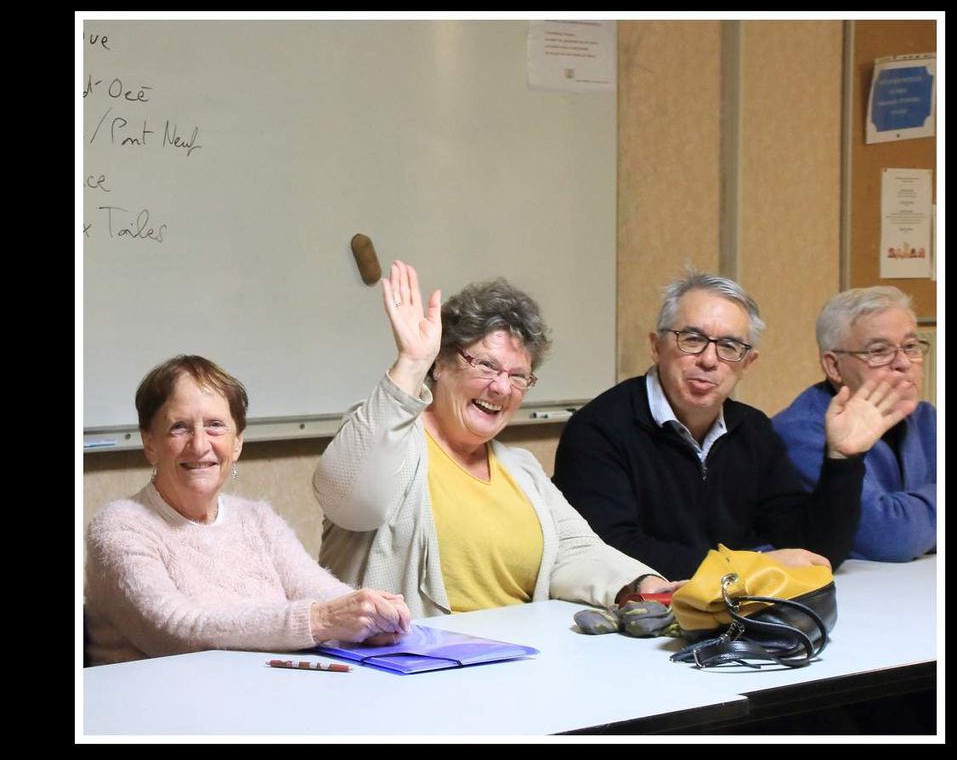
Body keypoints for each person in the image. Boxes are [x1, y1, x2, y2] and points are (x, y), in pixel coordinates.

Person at [314, 261, 678, 618]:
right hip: (403, 666)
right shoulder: (388, 437)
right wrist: (410, 363)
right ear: (439, 364)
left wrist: (643, 584)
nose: (502, 387)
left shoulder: (520, 468)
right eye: (486, 366)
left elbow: (574, 550)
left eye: (519, 376)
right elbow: (349, 500)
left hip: (512, 664)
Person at [552, 271, 907, 581]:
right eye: (691, 340)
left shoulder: (752, 431)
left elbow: (813, 551)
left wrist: (843, 460)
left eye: (729, 346)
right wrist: (749, 566)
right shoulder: (599, 429)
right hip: (635, 621)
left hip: (729, 616)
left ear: (747, 362)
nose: (709, 360)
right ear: (656, 347)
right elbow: (610, 548)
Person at [86, 355, 411, 666]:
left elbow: (319, 591)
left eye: (215, 426)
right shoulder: (118, 526)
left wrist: (370, 613)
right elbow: (176, 630)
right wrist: (325, 619)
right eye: (179, 428)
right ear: (150, 443)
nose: (199, 445)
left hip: (256, 694)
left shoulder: (257, 518)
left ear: (237, 443)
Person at [773, 287, 936, 561]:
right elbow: (890, 537)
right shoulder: (800, 430)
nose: (903, 363)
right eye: (879, 351)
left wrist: (917, 523)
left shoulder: (926, 417)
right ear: (834, 367)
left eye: (910, 346)